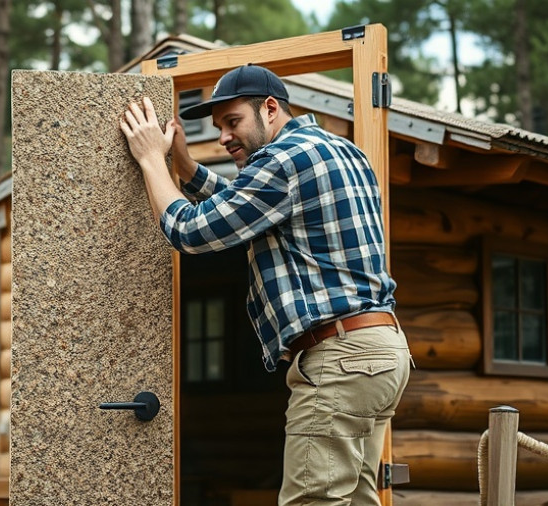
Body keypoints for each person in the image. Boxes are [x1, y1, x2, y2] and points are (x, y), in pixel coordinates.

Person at [120, 64, 412, 506]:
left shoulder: (282, 162)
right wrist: (183, 166)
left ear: (270, 108)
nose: (223, 137)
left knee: (309, 502)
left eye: (233, 122)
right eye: (218, 127)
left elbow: (191, 231)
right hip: (381, 352)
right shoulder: (340, 150)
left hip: (340, 357)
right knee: (356, 500)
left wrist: (148, 159)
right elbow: (249, 203)